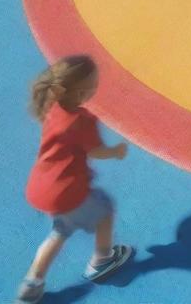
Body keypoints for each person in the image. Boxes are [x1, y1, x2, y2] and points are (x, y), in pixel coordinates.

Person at [16, 55, 134, 303]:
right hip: (67, 191)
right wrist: (116, 152)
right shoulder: (82, 120)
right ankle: (101, 260)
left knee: (60, 232)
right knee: (105, 211)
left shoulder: (52, 107)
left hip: (41, 187)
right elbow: (95, 151)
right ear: (82, 92)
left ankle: (32, 283)